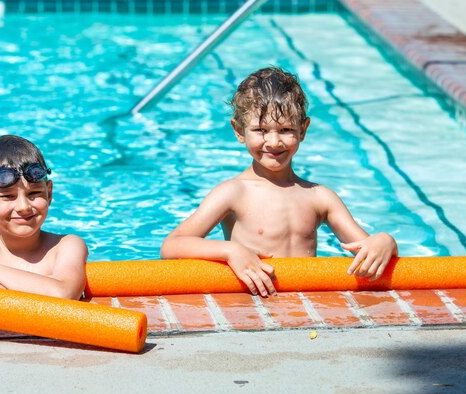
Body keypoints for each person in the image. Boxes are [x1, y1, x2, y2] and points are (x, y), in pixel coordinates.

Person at [160, 67, 397, 297]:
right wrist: (230, 251)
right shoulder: (234, 192)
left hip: (307, 306)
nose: (274, 142)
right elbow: (172, 246)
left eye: (285, 129)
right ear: (239, 130)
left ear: (303, 130)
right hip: (253, 306)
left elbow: (365, 249)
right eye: (260, 130)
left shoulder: (319, 197)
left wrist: (386, 242)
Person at [0, 135, 87, 300]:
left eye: (34, 193)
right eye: (8, 196)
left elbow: (63, 293)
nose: (23, 207)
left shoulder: (66, 245)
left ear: (49, 194)